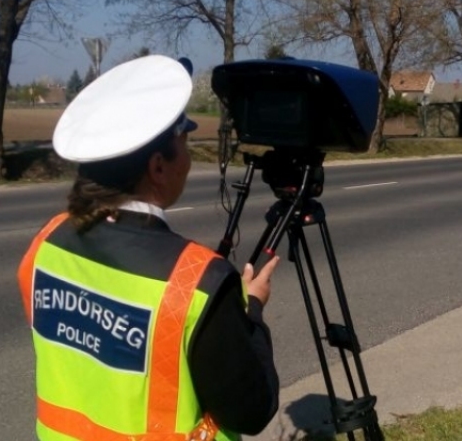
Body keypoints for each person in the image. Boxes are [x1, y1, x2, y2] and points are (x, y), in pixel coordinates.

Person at [17, 55, 280, 441]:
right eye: (185, 143)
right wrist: (252, 309)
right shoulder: (198, 282)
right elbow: (251, 411)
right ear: (158, 167)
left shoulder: (47, 241)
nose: (188, 159)